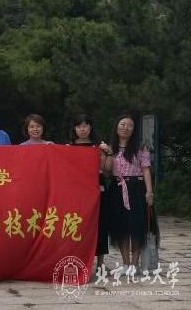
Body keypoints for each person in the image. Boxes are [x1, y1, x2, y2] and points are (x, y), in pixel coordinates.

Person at [103, 112, 153, 273]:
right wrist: (108, 153)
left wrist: (149, 191)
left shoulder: (140, 148)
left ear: (134, 129)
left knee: (137, 227)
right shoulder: (110, 147)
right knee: (121, 227)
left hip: (136, 188)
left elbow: (146, 169)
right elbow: (107, 172)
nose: (125, 128)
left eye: (130, 125)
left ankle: (134, 264)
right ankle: (125, 264)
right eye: (122, 124)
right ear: (116, 127)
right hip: (117, 189)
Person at [69, 113, 111, 273]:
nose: (82, 129)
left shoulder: (98, 148)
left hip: (97, 189)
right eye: (79, 126)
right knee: (77, 225)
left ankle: (100, 263)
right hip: (76, 193)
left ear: (90, 128)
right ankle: (76, 260)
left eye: (85, 125)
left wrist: (107, 153)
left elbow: (106, 171)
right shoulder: (67, 148)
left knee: (100, 224)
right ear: (74, 128)